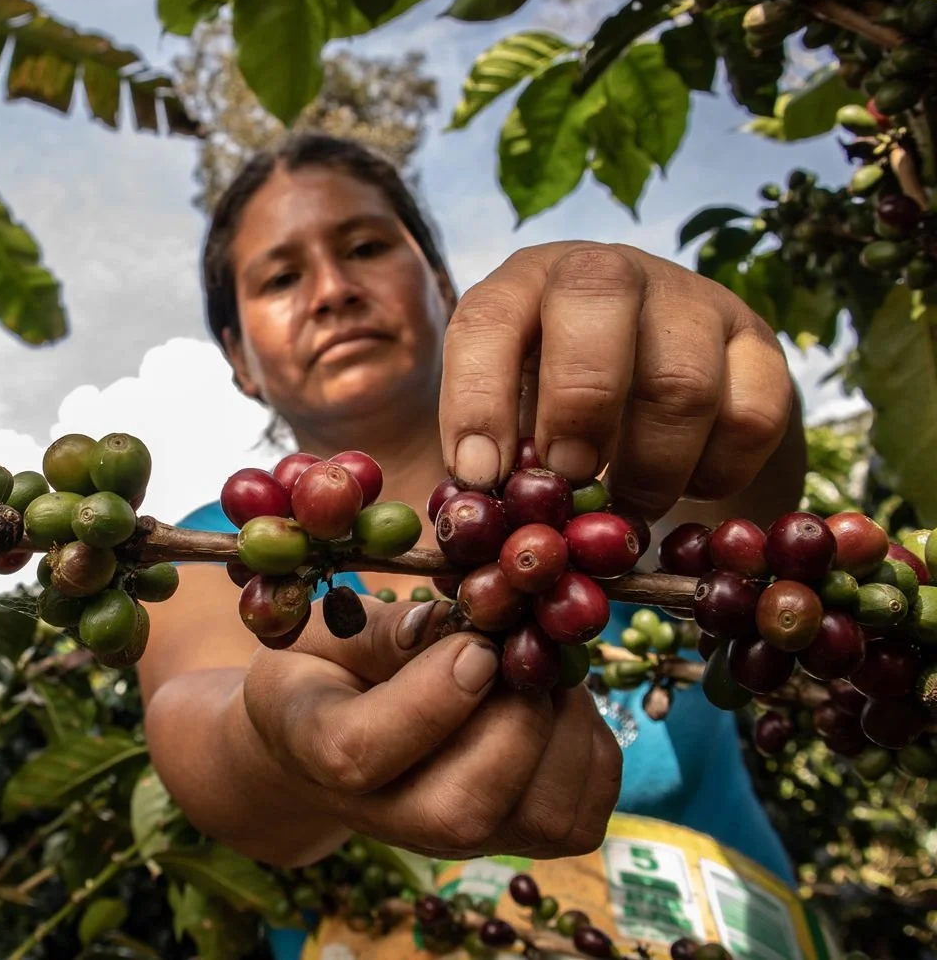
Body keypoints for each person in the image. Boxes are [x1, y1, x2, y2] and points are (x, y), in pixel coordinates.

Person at [134, 133, 807, 951]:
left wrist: (708, 361)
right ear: (239, 357)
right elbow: (201, 722)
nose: (334, 291)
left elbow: (753, 493)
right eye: (281, 278)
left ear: (443, 283)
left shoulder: (607, 469)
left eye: (367, 247)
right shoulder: (222, 543)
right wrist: (279, 740)